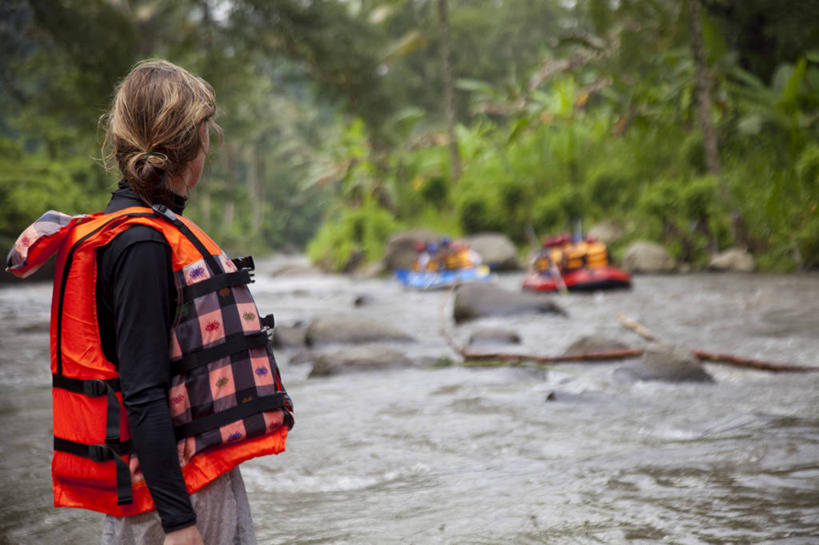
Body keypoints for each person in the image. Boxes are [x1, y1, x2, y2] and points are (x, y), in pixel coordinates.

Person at [6, 60, 293, 545]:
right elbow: (143, 394)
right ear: (192, 149)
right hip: (176, 497)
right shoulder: (143, 246)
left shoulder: (138, 234)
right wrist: (180, 525)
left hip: (172, 486)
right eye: (205, 133)